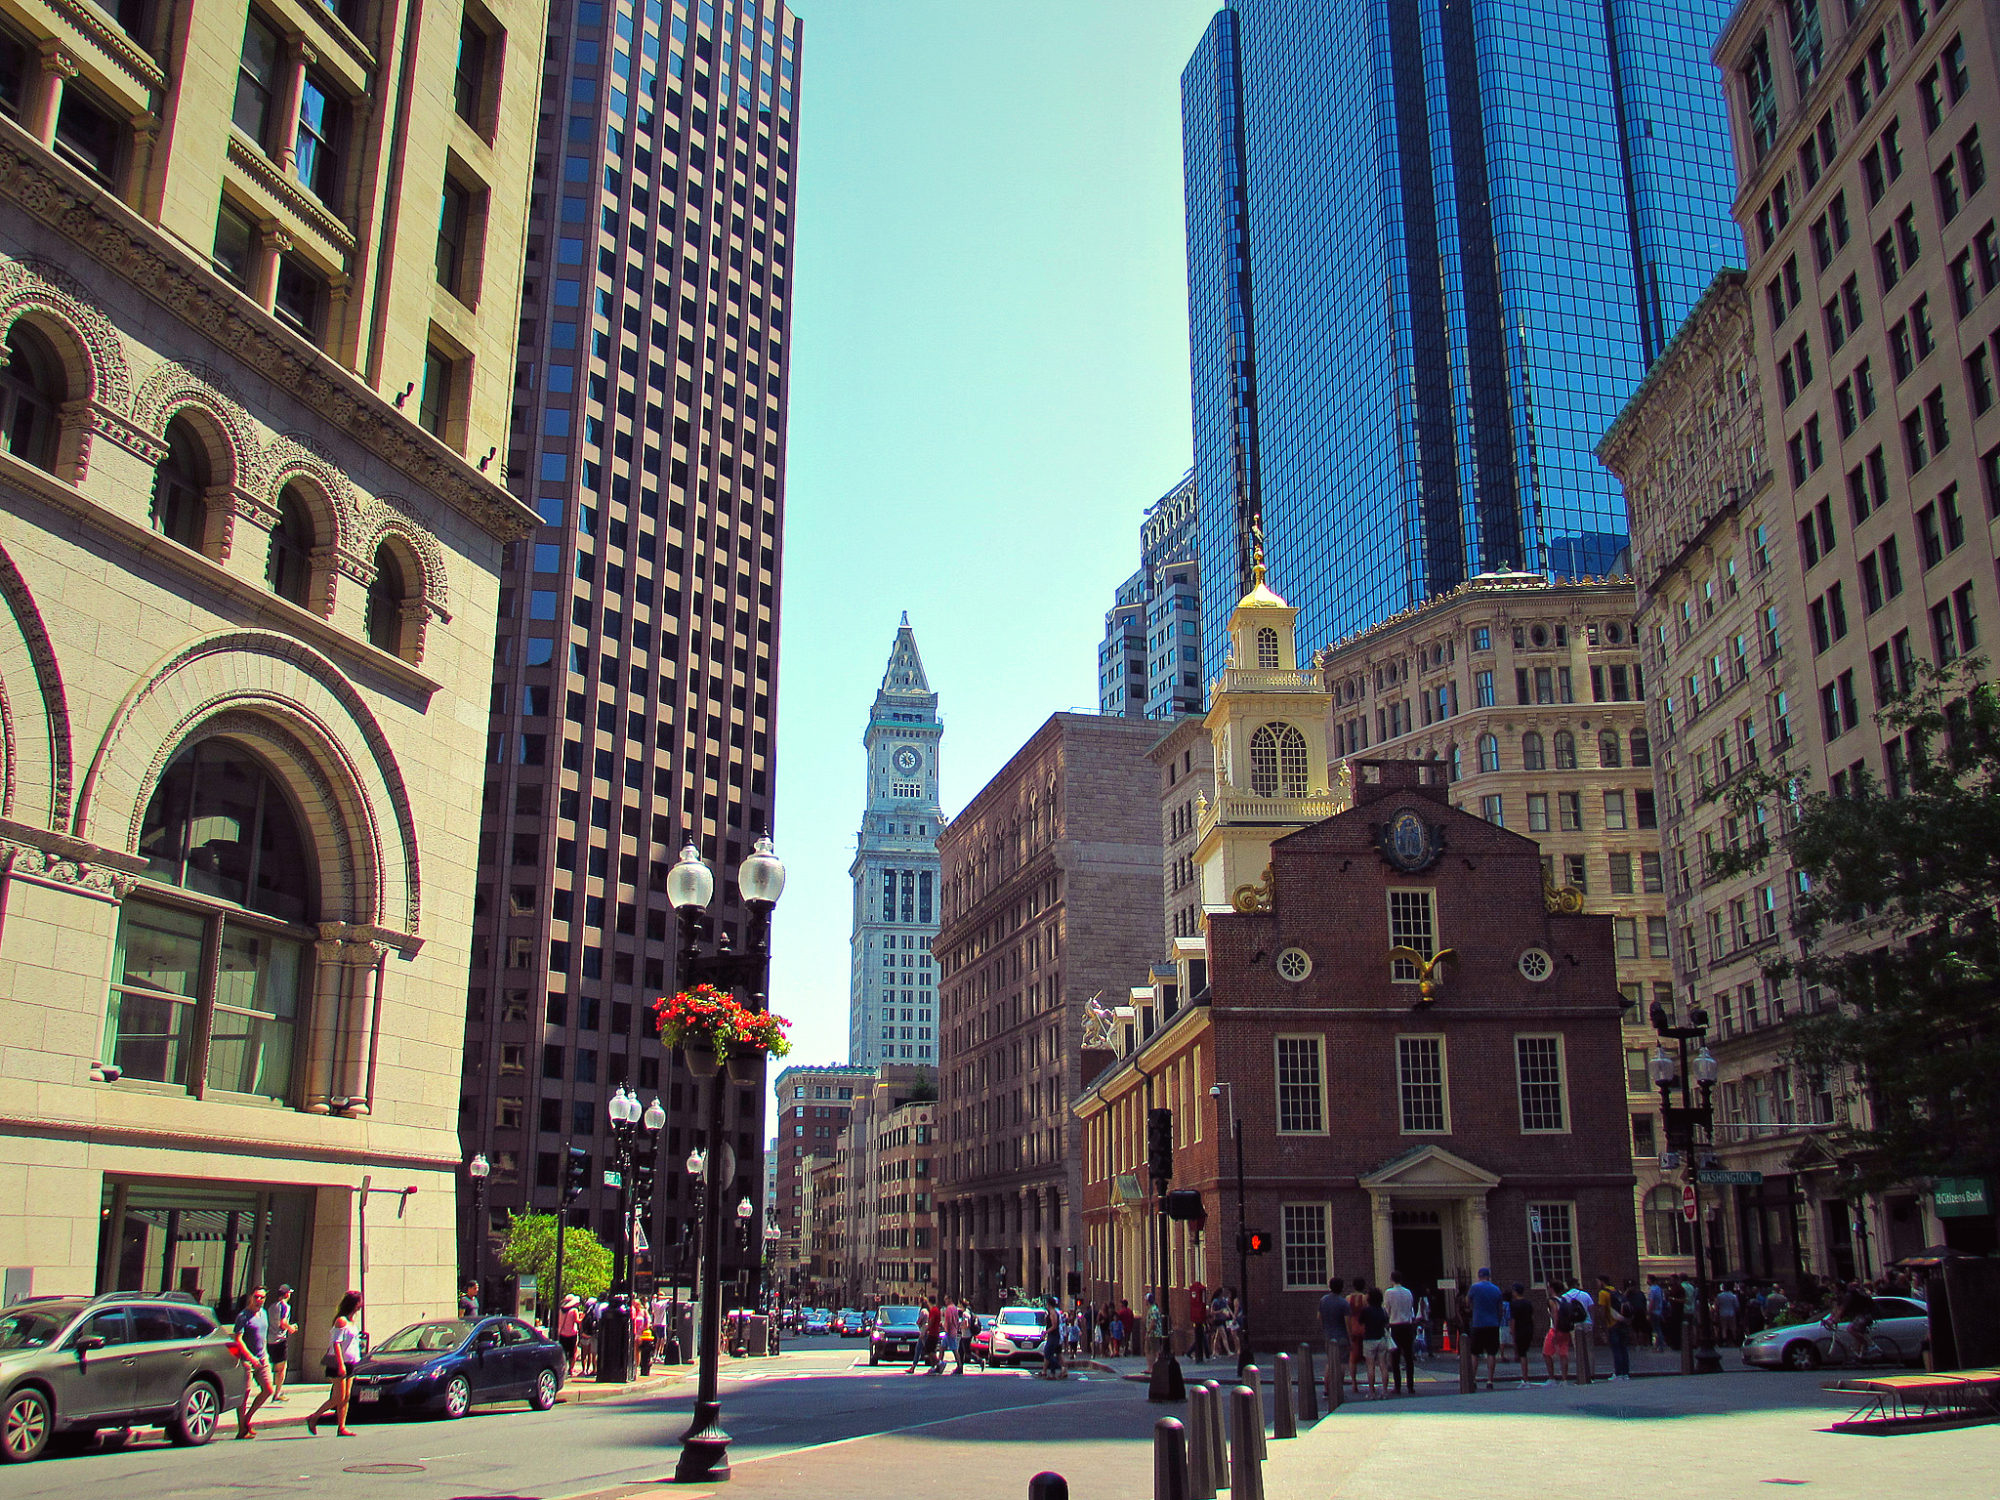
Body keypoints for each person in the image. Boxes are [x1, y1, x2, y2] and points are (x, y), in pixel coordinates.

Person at [306, 1289, 363, 1437]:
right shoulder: (341, 1321)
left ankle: (342, 1427)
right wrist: (340, 1364)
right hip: (338, 1363)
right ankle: (314, 1417)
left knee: (346, 1396)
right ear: (354, 1303)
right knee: (338, 1397)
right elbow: (336, 1343)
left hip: (351, 1362)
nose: (361, 1305)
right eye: (359, 1302)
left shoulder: (352, 1321)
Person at [232, 1285, 276, 1439]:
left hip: (262, 1357)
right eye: (256, 1296)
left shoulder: (263, 1314)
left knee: (269, 1389)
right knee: (245, 1393)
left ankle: (247, 1419)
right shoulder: (243, 1316)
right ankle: (242, 1428)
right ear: (251, 1297)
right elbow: (237, 1339)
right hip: (247, 1360)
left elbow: (263, 1337)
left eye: (262, 1297)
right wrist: (251, 1358)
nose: (259, 1300)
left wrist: (264, 1356)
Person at [1467, 1268, 1504, 1391]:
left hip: (1478, 1324)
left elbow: (1468, 1302)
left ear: (1479, 1276)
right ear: (1489, 1276)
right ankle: (1490, 1380)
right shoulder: (1496, 1289)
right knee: (1491, 1353)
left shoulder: (1474, 1288)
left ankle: (1473, 1379)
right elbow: (1500, 1309)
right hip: (1492, 1324)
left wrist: (1474, 1309)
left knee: (1474, 1353)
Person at [1384, 1272, 1417, 1395]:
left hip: (1395, 1326)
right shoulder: (1408, 1292)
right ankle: (1410, 1386)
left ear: (1391, 1279)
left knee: (1395, 1358)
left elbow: (1387, 1309)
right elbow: (1411, 1310)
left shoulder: (1389, 1293)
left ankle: (1397, 1386)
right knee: (1409, 1357)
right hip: (1407, 1326)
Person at [1319, 1277, 1349, 1409]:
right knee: (1341, 1363)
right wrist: (1350, 1338)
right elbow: (1347, 1322)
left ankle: (1326, 1391)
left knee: (1330, 1363)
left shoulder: (1323, 1300)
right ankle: (1338, 1388)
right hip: (1341, 1336)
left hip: (1329, 1336)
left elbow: (1319, 1317)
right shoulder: (1343, 1303)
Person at [1357, 1287, 1390, 1398]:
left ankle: (1371, 1392)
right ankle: (1385, 1391)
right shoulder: (1382, 1310)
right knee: (1383, 1365)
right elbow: (1386, 1322)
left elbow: (1361, 1323)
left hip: (1369, 1339)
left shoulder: (1366, 1310)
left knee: (1370, 1366)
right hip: (1381, 1339)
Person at [1543, 1281, 1575, 1384]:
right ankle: (1564, 1379)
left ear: (1552, 1288)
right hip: (1565, 1330)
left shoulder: (1552, 1301)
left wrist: (1555, 1331)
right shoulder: (1564, 1300)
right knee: (1563, 1354)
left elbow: (1555, 1315)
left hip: (1555, 1329)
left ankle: (1551, 1378)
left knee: (1546, 1353)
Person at [268, 1286, 295, 1403]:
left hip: (269, 1339)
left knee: (274, 1366)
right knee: (281, 1368)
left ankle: (273, 1390)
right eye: (289, 1293)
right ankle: (277, 1393)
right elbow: (283, 1323)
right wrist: (291, 1328)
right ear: (286, 1294)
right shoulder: (285, 1307)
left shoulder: (271, 1307)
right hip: (280, 1339)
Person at [1510, 1283, 1540, 1384]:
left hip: (1519, 1330)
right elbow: (1532, 1316)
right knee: (1524, 1352)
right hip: (1528, 1328)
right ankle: (1525, 1376)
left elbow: (1513, 1319)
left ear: (1515, 1292)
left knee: (1522, 1354)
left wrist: (1512, 1331)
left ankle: (1525, 1377)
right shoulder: (1528, 1303)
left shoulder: (1514, 1304)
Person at [1604, 1281, 1632, 1379]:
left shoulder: (1606, 1295)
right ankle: (1625, 1373)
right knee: (1624, 1349)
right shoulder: (1620, 1294)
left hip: (1614, 1325)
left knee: (1616, 1350)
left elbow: (1607, 1312)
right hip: (1624, 1324)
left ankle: (1618, 1373)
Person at [558, 1295, 581, 1374]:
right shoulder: (574, 1310)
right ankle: (571, 1369)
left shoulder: (561, 1310)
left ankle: (562, 1367)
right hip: (572, 1334)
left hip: (562, 1333)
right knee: (573, 1352)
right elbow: (577, 1320)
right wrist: (583, 1317)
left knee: (563, 1352)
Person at [1189, 1279, 1210, 1363]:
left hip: (1198, 1316)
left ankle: (1201, 1354)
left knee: (1201, 1337)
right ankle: (1202, 1354)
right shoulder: (1201, 1294)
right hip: (1199, 1316)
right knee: (1202, 1337)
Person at [1715, 1281, 1741, 1346]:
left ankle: (1724, 1340)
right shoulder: (1733, 1296)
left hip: (1722, 1313)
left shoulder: (1719, 1296)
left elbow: (1717, 1306)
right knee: (1733, 1327)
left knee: (1724, 1327)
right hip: (1731, 1313)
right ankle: (1735, 1340)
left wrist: (1717, 1314)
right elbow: (1737, 1306)